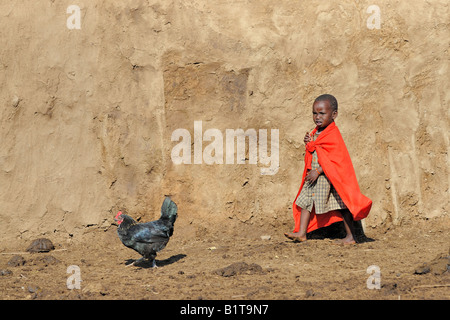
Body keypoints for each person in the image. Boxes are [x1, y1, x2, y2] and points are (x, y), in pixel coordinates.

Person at [284, 94, 372, 245]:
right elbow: (317, 150)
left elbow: (335, 160)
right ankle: (302, 233)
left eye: (322, 113)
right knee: (305, 201)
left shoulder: (333, 135)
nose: (317, 117)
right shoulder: (316, 132)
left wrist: (317, 171)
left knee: (343, 206)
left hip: (330, 179)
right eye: (314, 113)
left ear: (334, 114)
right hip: (314, 179)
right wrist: (309, 143)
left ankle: (351, 237)